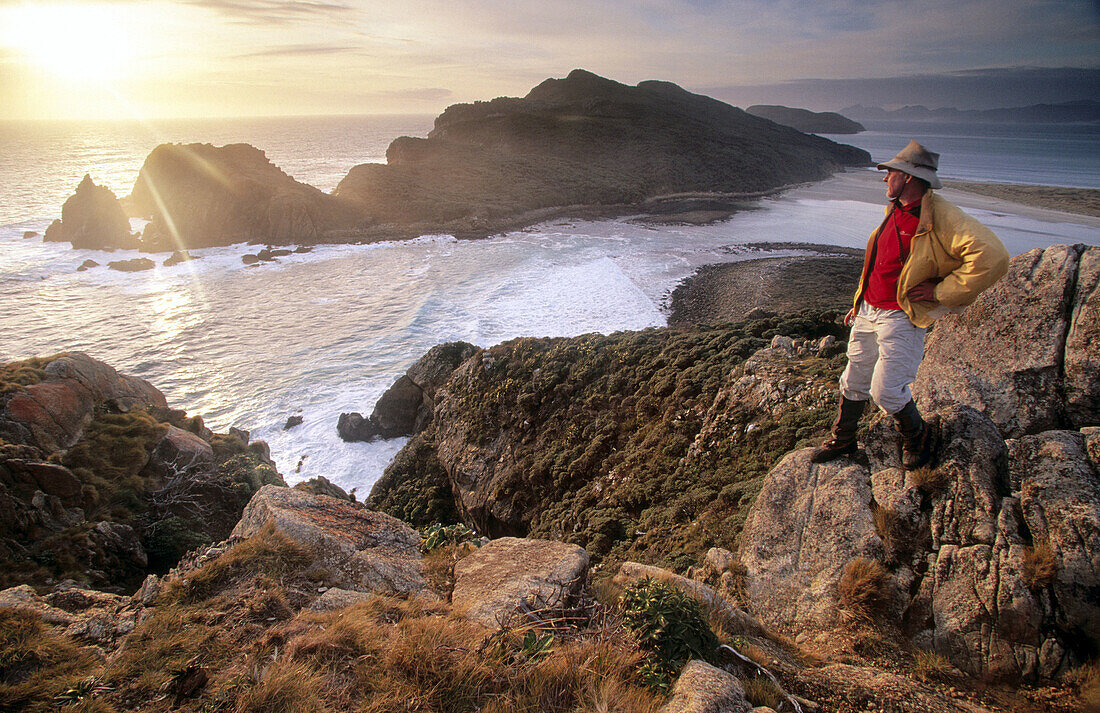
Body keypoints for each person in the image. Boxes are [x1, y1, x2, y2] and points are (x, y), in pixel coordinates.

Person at [813, 140, 1009, 469]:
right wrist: (859, 300)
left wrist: (941, 291)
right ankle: (844, 439)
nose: (884, 178)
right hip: (868, 311)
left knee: (886, 391)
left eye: (889, 172)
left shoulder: (941, 215)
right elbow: (880, 262)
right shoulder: (896, 208)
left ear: (907, 177)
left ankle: (917, 435)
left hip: (900, 315)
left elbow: (994, 258)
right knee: (853, 380)